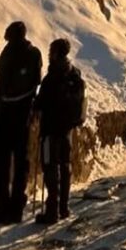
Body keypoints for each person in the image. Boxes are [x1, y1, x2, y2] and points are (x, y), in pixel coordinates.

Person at [0, 21, 42, 224]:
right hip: (24, 116)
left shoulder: (2, 61)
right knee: (21, 161)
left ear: (8, 37)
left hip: (3, 117)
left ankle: (2, 208)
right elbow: (37, 81)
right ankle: (17, 207)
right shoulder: (35, 55)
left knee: (0, 163)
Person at [32, 38, 86, 225]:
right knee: (65, 165)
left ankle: (52, 211)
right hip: (67, 130)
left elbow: (40, 102)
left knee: (50, 167)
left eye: (50, 51)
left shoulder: (52, 77)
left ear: (55, 53)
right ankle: (64, 207)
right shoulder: (74, 75)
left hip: (50, 129)